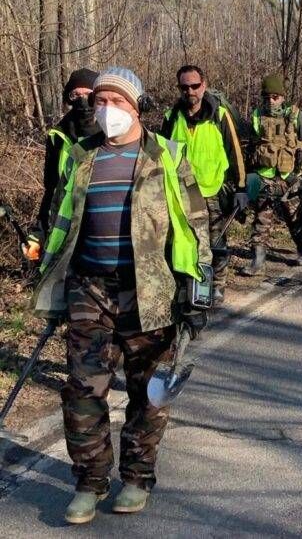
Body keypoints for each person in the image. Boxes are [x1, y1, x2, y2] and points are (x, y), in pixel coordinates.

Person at [27, 67, 212, 524]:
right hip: (88, 288)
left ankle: (135, 477)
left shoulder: (166, 155)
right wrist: (51, 281)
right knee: (83, 391)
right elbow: (61, 222)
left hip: (149, 291)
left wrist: (199, 288)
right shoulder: (80, 156)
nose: (107, 110)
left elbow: (195, 225)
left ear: (137, 108)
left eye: (117, 103)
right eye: (102, 102)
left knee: (148, 393)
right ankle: (90, 481)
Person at [159, 65, 247, 304]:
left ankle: (216, 286)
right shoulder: (171, 117)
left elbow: (235, 151)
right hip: (182, 192)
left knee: (216, 241)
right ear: (179, 89)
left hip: (213, 190)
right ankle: (189, 286)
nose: (190, 91)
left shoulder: (219, 115)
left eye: (195, 86)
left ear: (204, 85)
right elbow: (161, 155)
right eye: (184, 87)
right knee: (185, 241)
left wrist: (241, 187)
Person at [241, 74, 302, 276]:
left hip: (289, 177)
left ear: (283, 97)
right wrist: (247, 176)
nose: (271, 101)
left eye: (275, 97)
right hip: (264, 176)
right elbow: (249, 146)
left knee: (295, 217)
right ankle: (258, 260)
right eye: (267, 98)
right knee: (261, 219)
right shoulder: (257, 115)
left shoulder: (294, 115)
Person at [35, 68, 101, 238]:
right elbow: (51, 190)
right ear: (68, 98)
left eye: (89, 94)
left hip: (102, 227)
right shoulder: (57, 136)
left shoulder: (112, 133)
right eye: (76, 95)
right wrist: (39, 233)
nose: (83, 101)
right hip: (66, 230)